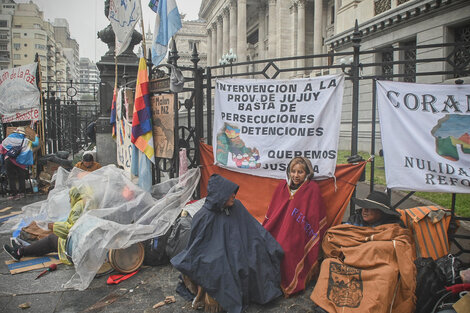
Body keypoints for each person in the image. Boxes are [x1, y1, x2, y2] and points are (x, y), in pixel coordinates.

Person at [171, 174, 284, 313]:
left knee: (258, 254)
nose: (233, 196)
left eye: (233, 193)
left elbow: (252, 229)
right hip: (214, 255)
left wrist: (265, 243)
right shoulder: (204, 216)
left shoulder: (237, 207)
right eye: (229, 193)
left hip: (240, 247)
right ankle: (206, 296)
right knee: (221, 269)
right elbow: (198, 247)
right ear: (220, 195)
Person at [262, 156, 327, 297]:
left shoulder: (312, 189)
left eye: (300, 172)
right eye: (293, 171)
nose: (296, 176)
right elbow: (274, 212)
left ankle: (289, 283)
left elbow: (313, 217)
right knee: (264, 245)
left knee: (286, 249)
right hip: (278, 230)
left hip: (299, 234)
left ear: (307, 173)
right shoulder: (282, 187)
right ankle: (270, 283)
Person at [3, 185, 93, 265]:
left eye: (70, 198)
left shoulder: (79, 206)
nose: (69, 201)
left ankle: (20, 252)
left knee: (51, 239)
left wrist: (55, 226)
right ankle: (22, 249)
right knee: (50, 239)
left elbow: (72, 229)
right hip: (83, 241)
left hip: (77, 245)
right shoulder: (88, 202)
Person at [0, 126, 39, 200]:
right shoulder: (26, 141)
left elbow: (1, 148)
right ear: (23, 134)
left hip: (9, 160)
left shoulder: (8, 138)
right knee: (21, 177)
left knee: (11, 177)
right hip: (20, 162)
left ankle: (13, 194)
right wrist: (36, 137)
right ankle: (21, 193)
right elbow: (36, 144)